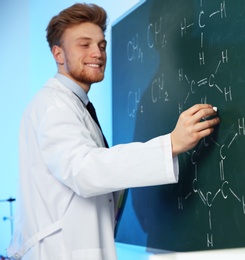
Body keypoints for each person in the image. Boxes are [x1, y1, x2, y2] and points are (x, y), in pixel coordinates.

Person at [7, 3, 219, 260]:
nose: (97, 53)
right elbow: (84, 169)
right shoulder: (53, 105)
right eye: (84, 45)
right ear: (58, 54)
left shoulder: (75, 105)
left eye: (101, 45)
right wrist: (171, 144)